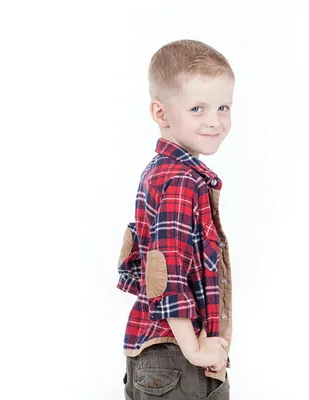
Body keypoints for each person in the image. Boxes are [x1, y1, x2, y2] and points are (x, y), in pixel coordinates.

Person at [117, 39, 235, 400]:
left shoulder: (161, 171)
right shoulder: (182, 180)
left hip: (164, 353)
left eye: (223, 106)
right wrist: (195, 349)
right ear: (161, 113)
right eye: (197, 108)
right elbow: (164, 273)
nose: (214, 121)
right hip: (174, 355)